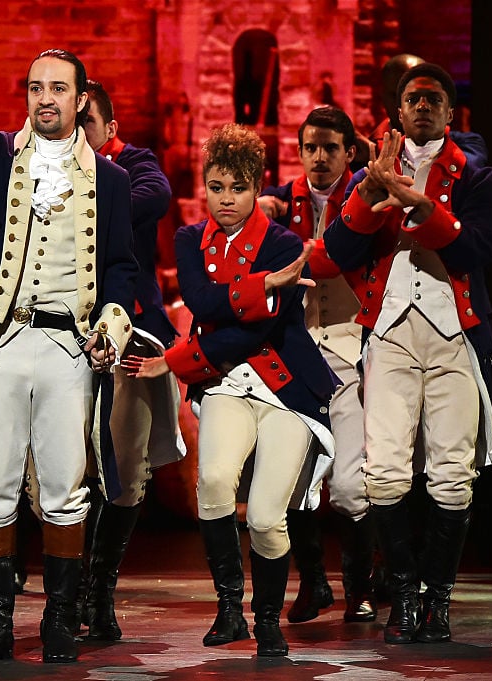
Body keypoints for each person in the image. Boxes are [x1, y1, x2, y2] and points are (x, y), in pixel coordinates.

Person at [0, 49, 136, 664]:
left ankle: (60, 621)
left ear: (81, 99)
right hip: (5, 340)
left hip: (69, 343)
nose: (46, 99)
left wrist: (111, 329)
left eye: (59, 89)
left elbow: (122, 268)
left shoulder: (112, 183)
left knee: (66, 486)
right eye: (36, 88)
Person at [123, 123, 339, 657]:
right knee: (215, 482)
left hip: (286, 387)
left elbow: (255, 328)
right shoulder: (188, 239)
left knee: (267, 515)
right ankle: (229, 610)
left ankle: (268, 618)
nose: (226, 200)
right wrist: (264, 285)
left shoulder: (285, 243)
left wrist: (175, 360)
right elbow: (202, 302)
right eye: (216, 187)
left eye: (237, 189)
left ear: (256, 187)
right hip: (225, 383)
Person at [323, 62, 492, 644]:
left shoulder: (475, 175)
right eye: (412, 99)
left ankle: (437, 601)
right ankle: (402, 593)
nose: (422, 106)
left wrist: (421, 209)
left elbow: (479, 247)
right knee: (385, 471)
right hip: (393, 331)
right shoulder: (373, 171)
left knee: (452, 473)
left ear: (451, 113)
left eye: (433, 99)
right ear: (398, 112)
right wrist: (371, 195)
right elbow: (334, 252)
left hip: (454, 333)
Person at [259, 105, 379, 624]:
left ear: (349, 153)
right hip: (300, 355)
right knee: (297, 478)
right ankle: (313, 583)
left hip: (353, 352)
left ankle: (360, 587)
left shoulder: (367, 198)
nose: (320, 158)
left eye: (331, 148)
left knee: (352, 484)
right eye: (311, 147)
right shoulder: (281, 202)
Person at [75, 78, 182, 641]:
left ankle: (101, 588)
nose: (75, 133)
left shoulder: (133, 166)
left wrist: (76, 193)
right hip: (59, 335)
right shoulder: (35, 166)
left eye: (86, 122)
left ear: (110, 130)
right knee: (56, 472)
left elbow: (155, 198)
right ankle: (67, 589)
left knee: (125, 467)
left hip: (130, 334)